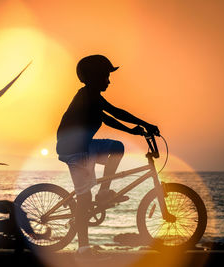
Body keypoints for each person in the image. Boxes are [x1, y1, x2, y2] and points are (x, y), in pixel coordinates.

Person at [56, 55, 159, 257]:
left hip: (86, 146)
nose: (109, 81)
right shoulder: (87, 95)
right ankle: (83, 248)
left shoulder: (92, 99)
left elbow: (108, 118)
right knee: (84, 200)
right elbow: (116, 112)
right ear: (94, 77)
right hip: (75, 151)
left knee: (116, 147)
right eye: (105, 76)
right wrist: (145, 124)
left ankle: (103, 193)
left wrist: (134, 131)